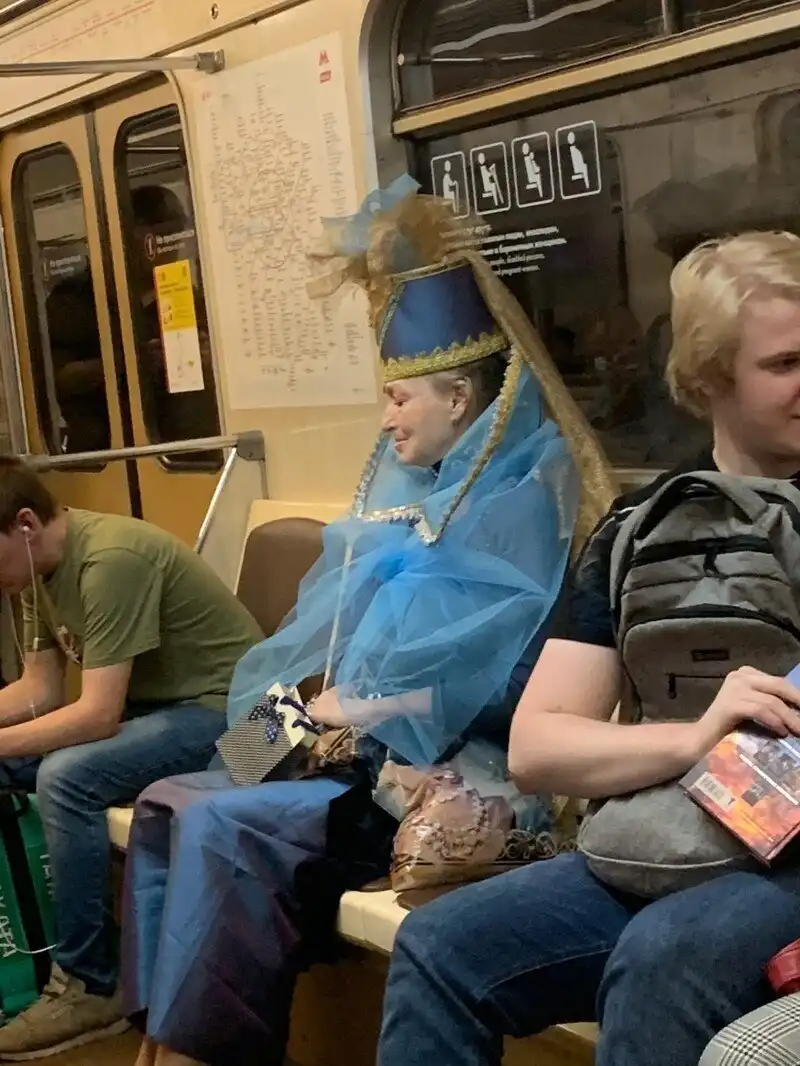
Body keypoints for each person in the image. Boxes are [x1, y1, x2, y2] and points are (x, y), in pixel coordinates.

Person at [118, 178, 616, 1066]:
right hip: (350, 742)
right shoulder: (414, 509)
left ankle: (206, 1054)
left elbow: (517, 692)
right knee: (171, 797)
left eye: (398, 398)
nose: (385, 421)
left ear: (457, 400)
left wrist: (376, 704)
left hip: (434, 777)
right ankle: (156, 1041)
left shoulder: (531, 522)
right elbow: (346, 661)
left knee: (221, 825)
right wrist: (324, 707)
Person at [377, 229, 800, 1066]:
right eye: (785, 364)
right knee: (439, 947)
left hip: (789, 862)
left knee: (662, 960)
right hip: (670, 831)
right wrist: (693, 738)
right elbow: (539, 746)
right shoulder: (639, 529)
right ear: (710, 376)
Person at [0, 463, 263, 1060]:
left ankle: (91, 983)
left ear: (25, 524)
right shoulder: (34, 569)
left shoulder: (110, 559)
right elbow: (39, 690)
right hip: (160, 711)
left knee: (64, 778)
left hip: (238, 715)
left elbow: (97, 717)